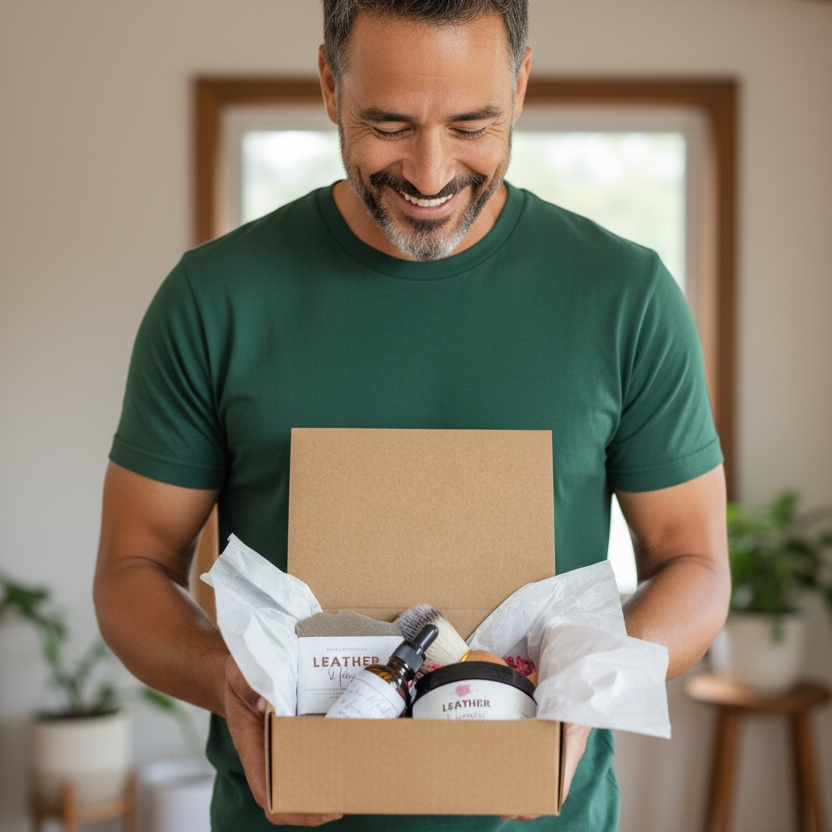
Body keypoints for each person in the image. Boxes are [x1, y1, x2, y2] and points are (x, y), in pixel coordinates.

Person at [93, 1, 730, 830]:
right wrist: (230, 681)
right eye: (389, 125)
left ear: (522, 85)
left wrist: (588, 688)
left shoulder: (625, 297)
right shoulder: (215, 299)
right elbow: (131, 568)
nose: (431, 174)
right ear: (329, 83)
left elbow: (694, 564)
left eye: (472, 125)